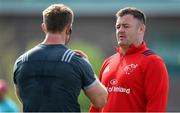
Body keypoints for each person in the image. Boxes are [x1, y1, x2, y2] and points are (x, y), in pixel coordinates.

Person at [13, 4, 108, 112]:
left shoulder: (21, 61)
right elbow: (101, 100)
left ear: (44, 27)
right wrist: (89, 68)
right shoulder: (77, 61)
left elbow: (23, 97)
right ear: (68, 29)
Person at [89, 7, 169, 112]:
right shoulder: (108, 61)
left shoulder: (153, 62)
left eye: (126, 26)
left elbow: (156, 108)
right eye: (118, 27)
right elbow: (97, 104)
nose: (120, 30)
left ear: (141, 29)